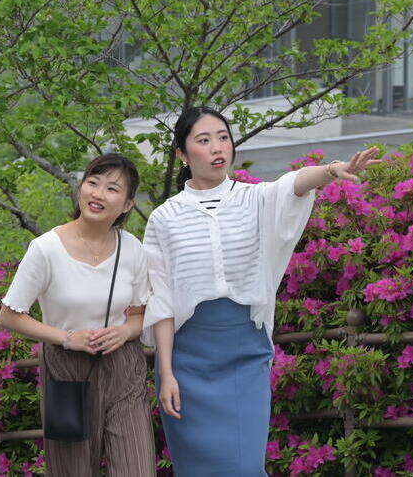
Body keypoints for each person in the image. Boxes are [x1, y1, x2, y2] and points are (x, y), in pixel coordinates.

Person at [143, 106, 380, 476]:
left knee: (245, 466)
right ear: (182, 154)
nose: (217, 148)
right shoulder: (164, 218)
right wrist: (167, 372)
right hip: (186, 361)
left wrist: (331, 171)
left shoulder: (254, 199)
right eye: (203, 141)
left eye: (223, 137)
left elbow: (294, 185)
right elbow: (160, 301)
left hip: (244, 355)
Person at [0, 152, 156, 476]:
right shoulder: (46, 249)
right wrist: (68, 338)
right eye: (92, 183)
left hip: (123, 365)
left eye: (112, 189)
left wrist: (125, 331)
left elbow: (140, 315)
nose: (97, 194)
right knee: (73, 471)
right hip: (67, 369)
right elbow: (9, 315)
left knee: (137, 469)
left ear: (127, 204)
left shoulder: (132, 249)